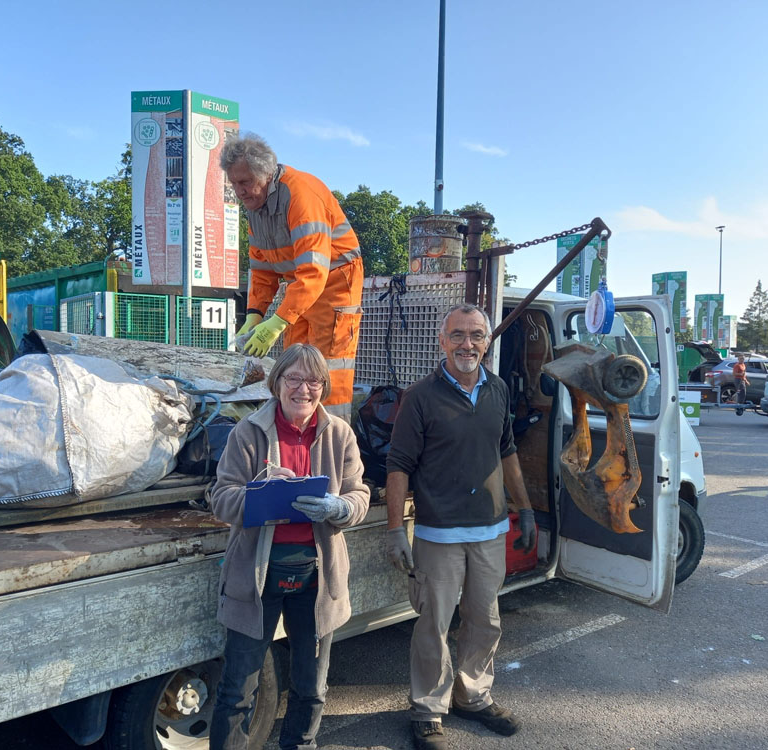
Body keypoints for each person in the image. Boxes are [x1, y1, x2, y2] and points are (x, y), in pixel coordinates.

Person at [383, 304, 537, 750]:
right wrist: (397, 529)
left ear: (487, 341)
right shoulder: (421, 397)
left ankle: (473, 695)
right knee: (434, 624)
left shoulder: (498, 389)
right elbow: (398, 465)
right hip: (439, 535)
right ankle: (429, 709)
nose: (467, 344)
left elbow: (506, 450)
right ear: (441, 341)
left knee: (485, 620)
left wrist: (524, 510)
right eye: (457, 335)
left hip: (489, 532)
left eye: (475, 335)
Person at [209, 343, 370, 750]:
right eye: (294, 378)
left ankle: (300, 745)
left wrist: (339, 506)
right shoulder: (248, 434)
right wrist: (262, 494)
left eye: (314, 380)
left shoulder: (340, 434)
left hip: (317, 577)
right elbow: (220, 499)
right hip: (256, 577)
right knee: (238, 690)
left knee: (312, 685)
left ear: (323, 387)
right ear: (276, 382)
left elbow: (359, 496)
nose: (304, 389)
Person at [220, 134, 364, 422]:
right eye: (234, 183)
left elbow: (314, 269)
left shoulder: (301, 195)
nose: (239, 191)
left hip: (336, 283)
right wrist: (255, 315)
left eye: (244, 182)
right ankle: (296, 444)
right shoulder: (256, 208)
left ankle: (333, 447)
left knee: (327, 371)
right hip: (301, 287)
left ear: (265, 174)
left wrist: (279, 320)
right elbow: (261, 269)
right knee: (294, 369)